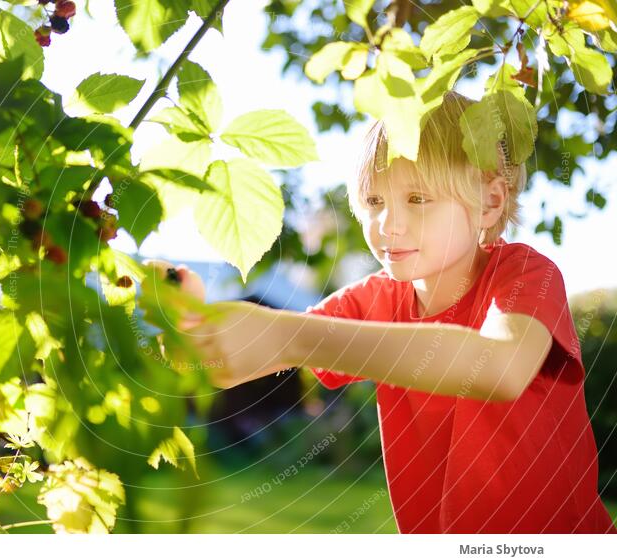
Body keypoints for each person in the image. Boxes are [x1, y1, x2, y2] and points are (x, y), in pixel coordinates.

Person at [143, 91, 617, 534]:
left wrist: (296, 336)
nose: (389, 224)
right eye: (374, 201)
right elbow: (253, 357)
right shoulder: (373, 300)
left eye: (418, 199)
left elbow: (498, 367)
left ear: (490, 202)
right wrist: (192, 329)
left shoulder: (525, 275)